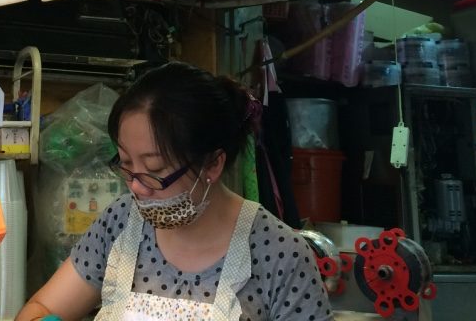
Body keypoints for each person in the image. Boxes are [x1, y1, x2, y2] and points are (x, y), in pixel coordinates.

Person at [16, 61, 333, 321]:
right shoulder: (120, 223)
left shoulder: (278, 253)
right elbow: (41, 309)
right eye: (126, 165)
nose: (137, 187)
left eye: (155, 172)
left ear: (212, 164)